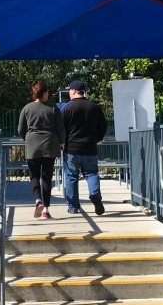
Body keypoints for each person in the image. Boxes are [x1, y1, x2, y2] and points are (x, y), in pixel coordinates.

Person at [17, 81, 64, 220]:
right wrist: (62, 142)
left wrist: (28, 138)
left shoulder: (27, 108)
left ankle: (38, 201)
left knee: (34, 176)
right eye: (47, 92)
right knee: (47, 177)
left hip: (32, 144)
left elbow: (20, 129)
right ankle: (46, 210)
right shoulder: (53, 107)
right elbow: (61, 128)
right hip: (49, 144)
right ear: (44, 93)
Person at [60, 79, 108, 215]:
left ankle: (73, 207)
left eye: (70, 90)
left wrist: (61, 142)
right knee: (91, 173)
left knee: (71, 177)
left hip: (71, 149)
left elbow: (61, 128)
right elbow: (103, 126)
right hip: (90, 147)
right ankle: (95, 195)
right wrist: (96, 138)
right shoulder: (94, 107)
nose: (69, 92)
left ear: (74, 91)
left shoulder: (66, 108)